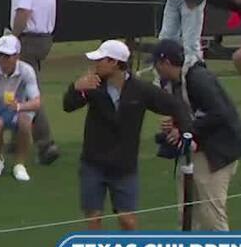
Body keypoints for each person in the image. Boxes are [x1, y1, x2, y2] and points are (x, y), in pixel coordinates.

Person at [63, 40, 192, 231]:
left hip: (124, 166)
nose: (96, 64)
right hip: (93, 163)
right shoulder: (92, 85)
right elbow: (68, 105)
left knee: (127, 220)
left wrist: (180, 128)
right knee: (94, 219)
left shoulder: (140, 90)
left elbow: (175, 106)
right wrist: (76, 87)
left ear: (114, 63)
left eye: (101, 60)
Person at [152, 39, 241, 232]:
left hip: (217, 153)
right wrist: (175, 124)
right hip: (196, 152)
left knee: (211, 214)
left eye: (157, 64)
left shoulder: (197, 78)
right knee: (187, 215)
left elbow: (218, 112)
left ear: (164, 62)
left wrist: (184, 129)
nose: (156, 69)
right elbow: (192, 113)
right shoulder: (174, 83)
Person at [0, 0, 61, 163]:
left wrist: (13, 37)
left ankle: (46, 144)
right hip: (43, 38)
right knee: (19, 88)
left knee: (28, 90)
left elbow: (24, 10)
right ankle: (17, 140)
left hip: (30, 39)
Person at [0, 35, 43, 183]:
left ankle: (19, 165)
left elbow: (36, 103)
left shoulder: (26, 71)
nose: (2, 60)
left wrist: (19, 106)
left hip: (19, 108)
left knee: (25, 123)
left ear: (17, 56)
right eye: (0, 55)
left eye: (7, 56)